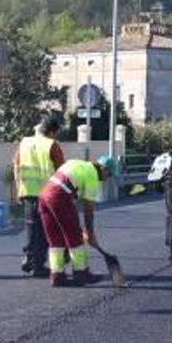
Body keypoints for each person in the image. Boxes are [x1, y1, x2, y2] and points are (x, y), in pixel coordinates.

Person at [38, 157, 119, 287]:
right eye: (108, 174)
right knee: (75, 237)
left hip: (44, 197)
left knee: (55, 239)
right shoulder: (92, 175)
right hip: (59, 196)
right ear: (103, 169)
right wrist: (90, 234)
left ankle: (57, 275)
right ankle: (82, 273)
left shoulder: (77, 164)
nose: (106, 178)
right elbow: (88, 211)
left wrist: (78, 228)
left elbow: (70, 204)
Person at [14, 117, 65, 277]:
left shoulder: (25, 143)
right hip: (47, 194)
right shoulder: (52, 145)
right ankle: (38, 265)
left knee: (31, 227)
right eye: (56, 133)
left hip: (28, 191)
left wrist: (18, 189)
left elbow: (16, 166)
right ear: (51, 132)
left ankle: (28, 257)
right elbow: (62, 172)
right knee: (44, 229)